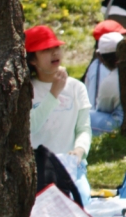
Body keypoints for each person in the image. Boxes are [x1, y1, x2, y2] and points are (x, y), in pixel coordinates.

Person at [24, 25, 91, 161]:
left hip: (71, 164)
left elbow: (84, 129)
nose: (54, 53)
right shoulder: (27, 90)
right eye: (46, 50)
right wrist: (54, 93)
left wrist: (79, 150)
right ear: (32, 60)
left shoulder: (76, 87)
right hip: (39, 167)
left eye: (56, 47)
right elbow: (30, 128)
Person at [84, 22, 125, 135]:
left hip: (121, 122)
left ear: (100, 58)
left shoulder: (110, 80)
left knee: (83, 116)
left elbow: (102, 109)